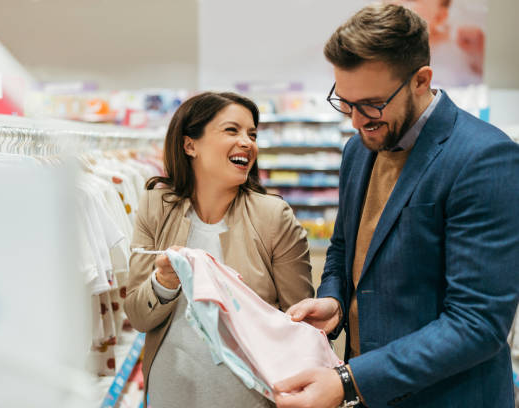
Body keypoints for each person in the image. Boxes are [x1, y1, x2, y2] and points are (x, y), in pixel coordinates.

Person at [273, 4, 519, 408]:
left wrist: (350, 380)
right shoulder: (359, 149)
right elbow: (342, 247)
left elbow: (477, 323)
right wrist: (334, 299)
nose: (355, 121)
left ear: (421, 80)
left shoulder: (484, 158)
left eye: (370, 104)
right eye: (345, 102)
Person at [124, 91, 314, 407]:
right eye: (232, 130)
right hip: (169, 394)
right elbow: (138, 317)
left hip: (249, 397)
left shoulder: (272, 217)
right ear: (190, 145)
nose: (247, 142)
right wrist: (165, 283)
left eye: (252, 134)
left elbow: (301, 325)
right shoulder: (156, 208)